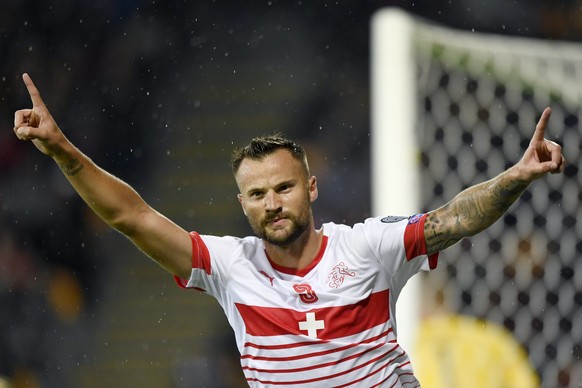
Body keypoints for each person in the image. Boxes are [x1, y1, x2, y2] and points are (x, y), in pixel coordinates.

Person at [13, 73, 565, 387]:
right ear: (242, 205)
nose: (273, 204)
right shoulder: (230, 266)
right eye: (257, 194)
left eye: (284, 188)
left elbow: (454, 219)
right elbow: (130, 216)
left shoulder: (368, 246)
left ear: (312, 188)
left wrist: (515, 177)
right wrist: (62, 150)